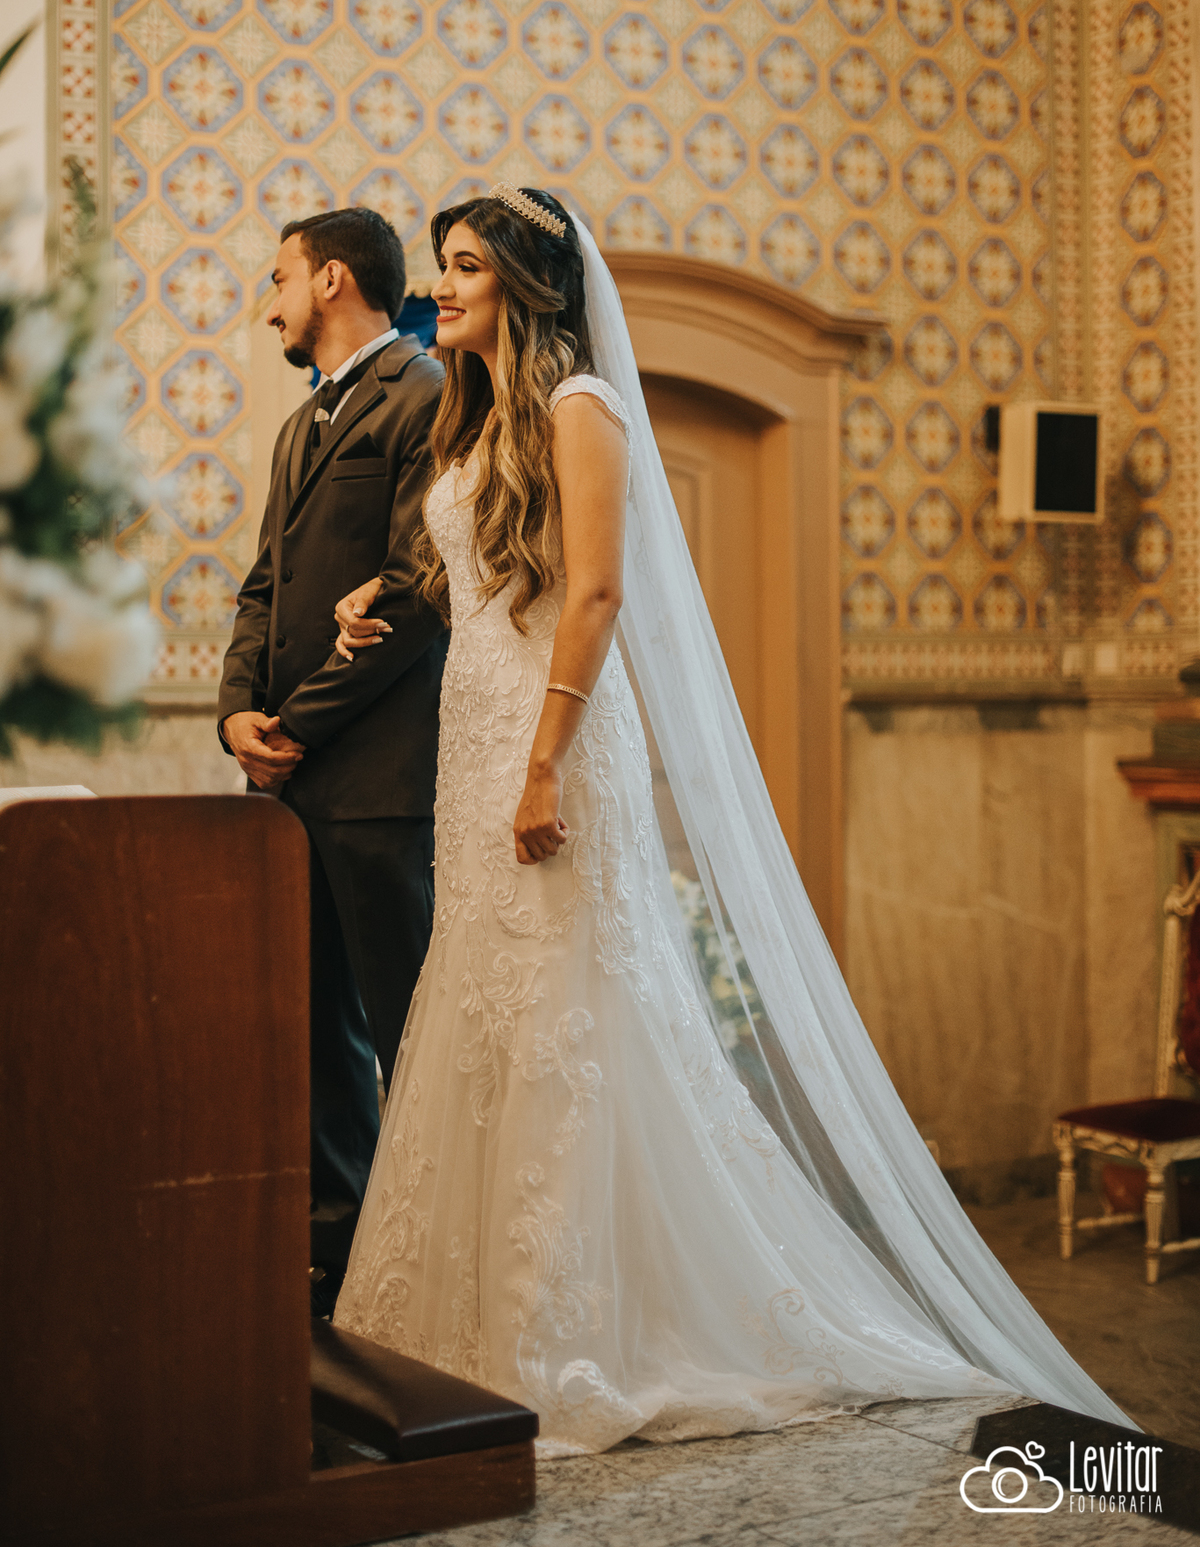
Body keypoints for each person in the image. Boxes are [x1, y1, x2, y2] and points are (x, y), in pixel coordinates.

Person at [331, 185, 1130, 1454]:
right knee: (483, 1006)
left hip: (550, 739)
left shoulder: (582, 410)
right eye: (444, 264)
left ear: (529, 287)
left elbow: (591, 595)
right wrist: (380, 592)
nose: (446, 285)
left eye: (469, 265)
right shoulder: (475, 420)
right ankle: (465, 1331)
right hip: (471, 737)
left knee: (564, 1014)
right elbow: (476, 570)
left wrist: (542, 764)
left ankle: (574, 1328)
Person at [217, 207, 447, 1317]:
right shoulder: (303, 423)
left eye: (281, 279)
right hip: (290, 782)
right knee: (312, 1036)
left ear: (334, 278)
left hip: (381, 784)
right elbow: (266, 584)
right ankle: (339, 1261)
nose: (271, 303)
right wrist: (233, 716)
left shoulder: (427, 395)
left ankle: (432, 1261)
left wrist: (294, 723)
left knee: (407, 1030)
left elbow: (416, 593)